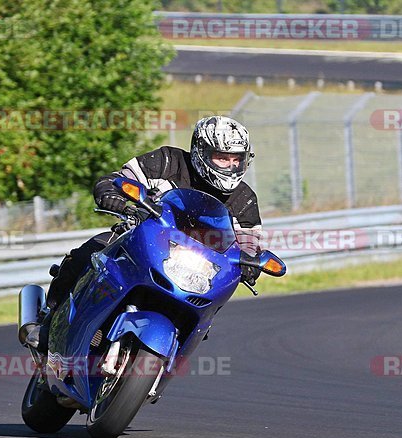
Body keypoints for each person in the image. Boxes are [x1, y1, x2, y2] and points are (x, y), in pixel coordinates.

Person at [25, 115, 263, 352]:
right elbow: (118, 179)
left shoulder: (244, 199)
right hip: (142, 241)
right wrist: (113, 195)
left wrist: (252, 262)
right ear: (201, 151)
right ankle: (48, 322)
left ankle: (161, 370)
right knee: (87, 254)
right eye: (222, 158)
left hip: (199, 269)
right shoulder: (168, 161)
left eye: (236, 159)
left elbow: (249, 242)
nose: (230, 166)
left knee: (213, 304)